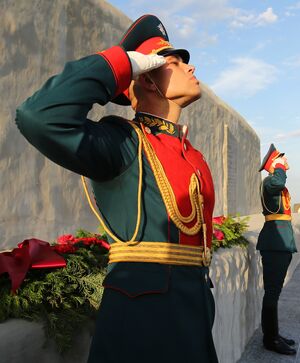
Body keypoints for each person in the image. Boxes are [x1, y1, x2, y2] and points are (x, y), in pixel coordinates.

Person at [16, 15, 218, 362]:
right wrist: (122, 64)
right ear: (149, 79)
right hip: (141, 326)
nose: (190, 66)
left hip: (195, 317)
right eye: (174, 61)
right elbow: (38, 117)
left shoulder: (192, 155)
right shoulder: (124, 143)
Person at [257, 144, 297, 355]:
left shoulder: (273, 182)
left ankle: (274, 333)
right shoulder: (271, 181)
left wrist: (278, 165)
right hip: (274, 243)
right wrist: (278, 167)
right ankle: (270, 339)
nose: (286, 160)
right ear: (274, 163)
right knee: (272, 293)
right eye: (282, 158)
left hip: (280, 242)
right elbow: (279, 181)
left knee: (275, 292)